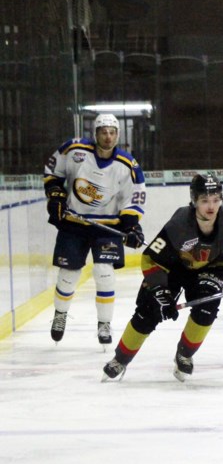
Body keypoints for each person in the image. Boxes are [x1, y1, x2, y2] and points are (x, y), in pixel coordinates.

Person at [102, 173, 223, 382]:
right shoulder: (179, 224)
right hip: (173, 268)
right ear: (194, 201)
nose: (211, 206)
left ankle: (184, 354)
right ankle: (121, 359)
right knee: (148, 312)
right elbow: (152, 259)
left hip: (212, 268)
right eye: (204, 201)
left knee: (206, 309)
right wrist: (160, 290)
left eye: (216, 200)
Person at [43, 113, 146, 349]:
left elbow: (135, 197)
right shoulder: (74, 150)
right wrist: (56, 195)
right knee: (68, 275)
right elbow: (52, 172)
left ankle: (104, 323)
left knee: (104, 271)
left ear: (117, 135)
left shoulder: (127, 164)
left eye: (112, 132)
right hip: (73, 223)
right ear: (95, 133)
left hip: (107, 227)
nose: (108, 137)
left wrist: (131, 225)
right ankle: (60, 314)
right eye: (103, 132)